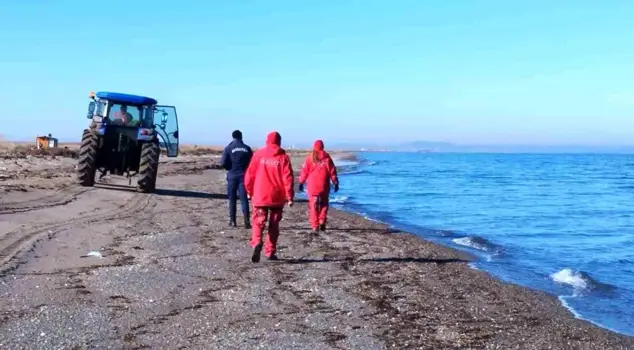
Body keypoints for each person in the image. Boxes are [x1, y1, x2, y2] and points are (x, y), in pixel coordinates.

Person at [244, 131, 294, 262]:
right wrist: (289, 196)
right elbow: (287, 178)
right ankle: (270, 251)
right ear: (279, 141)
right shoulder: (283, 157)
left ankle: (256, 242)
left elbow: (250, 175)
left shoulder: (259, 155)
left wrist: (249, 191)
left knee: (258, 221)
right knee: (274, 225)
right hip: (277, 196)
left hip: (260, 194)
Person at [298, 140, 339, 232]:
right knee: (324, 203)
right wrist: (335, 182)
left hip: (312, 186)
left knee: (313, 205)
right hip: (324, 185)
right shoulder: (327, 158)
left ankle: (315, 225)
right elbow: (332, 172)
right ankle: (322, 220)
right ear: (323, 147)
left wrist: (301, 182)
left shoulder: (310, 158)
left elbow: (304, 171)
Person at [220, 130, 253, 228]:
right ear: (241, 137)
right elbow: (252, 163)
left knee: (232, 199)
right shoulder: (247, 148)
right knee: (244, 199)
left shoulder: (229, 148)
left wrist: (230, 168)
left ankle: (233, 221)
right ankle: (247, 222)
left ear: (233, 137)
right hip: (243, 175)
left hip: (232, 175)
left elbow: (223, 163)